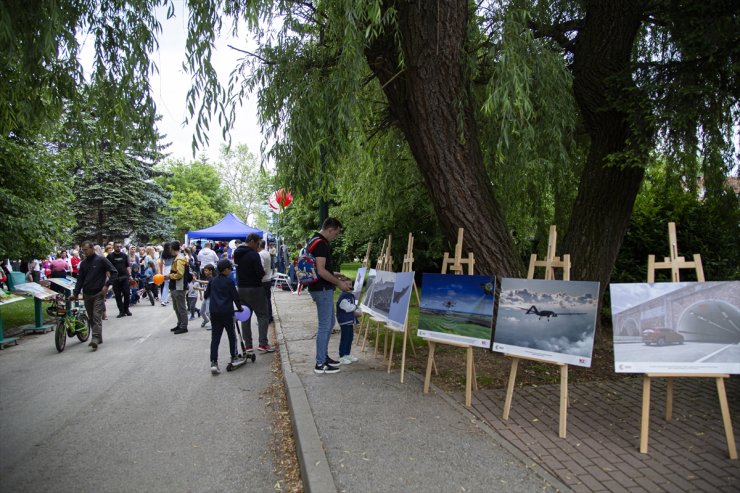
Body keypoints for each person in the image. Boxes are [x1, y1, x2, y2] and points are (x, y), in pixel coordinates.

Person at [308, 218, 352, 374]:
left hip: (319, 288)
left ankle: (323, 357)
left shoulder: (314, 240)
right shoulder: (321, 244)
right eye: (337, 233)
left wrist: (335, 275)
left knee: (329, 322)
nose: (336, 236)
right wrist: (339, 283)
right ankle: (320, 363)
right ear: (330, 229)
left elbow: (318, 269)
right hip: (322, 290)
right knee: (325, 325)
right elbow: (320, 271)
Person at [71, 240, 118, 350]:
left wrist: (107, 285)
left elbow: (114, 272)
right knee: (91, 317)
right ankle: (98, 337)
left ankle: (95, 338)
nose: (84, 252)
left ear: (92, 248)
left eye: (86, 250)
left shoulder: (101, 260)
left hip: (98, 293)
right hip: (87, 294)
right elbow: (80, 280)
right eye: (83, 250)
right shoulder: (83, 263)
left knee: (97, 316)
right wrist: (76, 293)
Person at [233, 233, 274, 353]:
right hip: (255, 288)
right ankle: (263, 343)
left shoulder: (237, 253)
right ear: (251, 241)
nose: (258, 246)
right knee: (262, 315)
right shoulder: (254, 255)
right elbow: (260, 272)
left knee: (245, 316)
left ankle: (248, 345)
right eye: (257, 243)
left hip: (241, 288)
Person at [205, 259, 245, 374]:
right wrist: (240, 308)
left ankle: (213, 362)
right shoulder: (229, 282)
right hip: (227, 312)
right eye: (230, 268)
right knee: (232, 336)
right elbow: (235, 297)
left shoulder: (212, 281)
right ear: (226, 269)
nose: (231, 270)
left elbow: (206, 294)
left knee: (215, 338)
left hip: (214, 312)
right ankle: (234, 356)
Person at [167, 241, 190, 334]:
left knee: (181, 307)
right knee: (176, 307)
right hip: (175, 286)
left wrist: (170, 276)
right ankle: (180, 323)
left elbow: (180, 274)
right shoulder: (178, 258)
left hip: (179, 287)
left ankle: (184, 326)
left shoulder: (179, 259)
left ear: (172, 248)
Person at [107, 241, 132, 318]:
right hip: (115, 279)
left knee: (127, 294)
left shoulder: (124, 255)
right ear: (114, 247)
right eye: (117, 246)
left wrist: (130, 275)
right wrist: (110, 278)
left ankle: (126, 309)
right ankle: (121, 311)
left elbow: (128, 266)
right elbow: (107, 269)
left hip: (124, 277)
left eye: (120, 246)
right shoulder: (110, 256)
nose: (119, 248)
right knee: (118, 296)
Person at [336, 290, 360, 365]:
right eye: (347, 285)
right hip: (344, 321)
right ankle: (342, 356)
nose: (350, 287)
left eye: (350, 285)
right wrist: (356, 307)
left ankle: (347, 354)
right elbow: (348, 308)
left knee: (350, 338)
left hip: (349, 321)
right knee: (345, 338)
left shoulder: (350, 296)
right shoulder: (343, 297)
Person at [258, 240, 274, 324]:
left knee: (263, 300)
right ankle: (269, 316)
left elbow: (262, 268)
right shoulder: (267, 253)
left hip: (263, 279)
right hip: (268, 278)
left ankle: (266, 317)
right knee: (267, 299)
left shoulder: (260, 254)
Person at [196, 263, 214, 328]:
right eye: (204, 270)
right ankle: (206, 320)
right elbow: (205, 288)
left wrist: (197, 280)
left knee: (208, 312)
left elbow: (207, 283)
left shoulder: (212, 279)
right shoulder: (207, 278)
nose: (205, 272)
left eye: (206, 270)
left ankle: (213, 324)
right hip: (206, 298)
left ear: (211, 271)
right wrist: (198, 288)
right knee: (201, 312)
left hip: (209, 297)